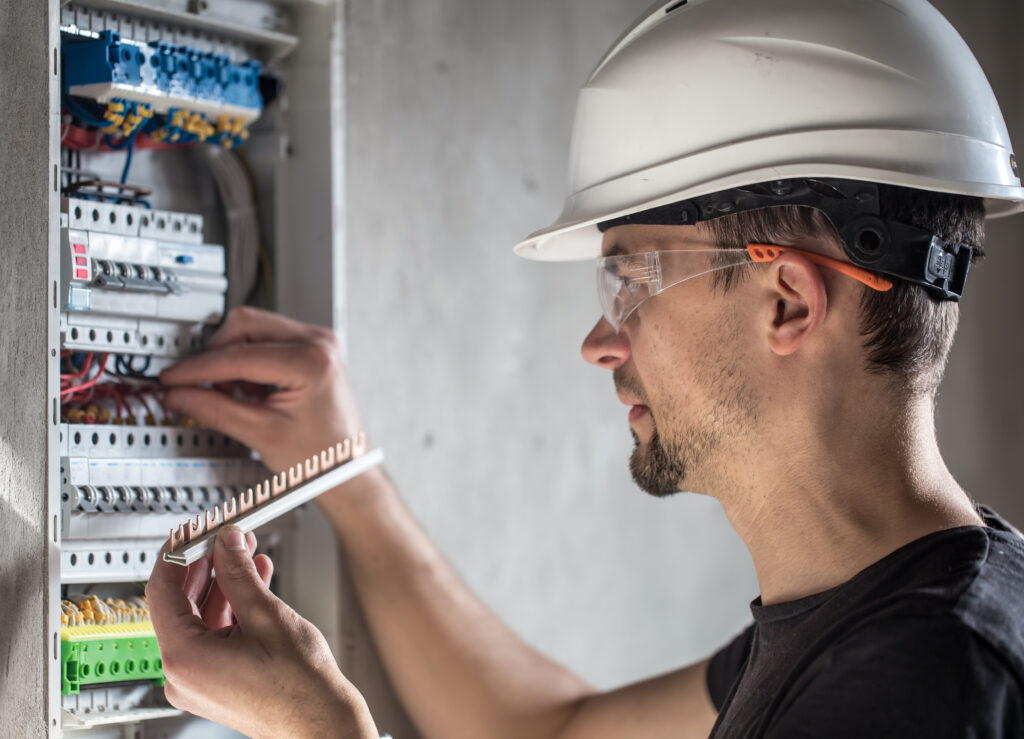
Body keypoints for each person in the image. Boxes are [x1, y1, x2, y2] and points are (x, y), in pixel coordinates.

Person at [146, 0, 1024, 736]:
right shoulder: (872, 619)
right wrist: (347, 471)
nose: (600, 340)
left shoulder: (921, 685)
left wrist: (318, 726)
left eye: (631, 277)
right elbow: (551, 729)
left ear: (787, 302)